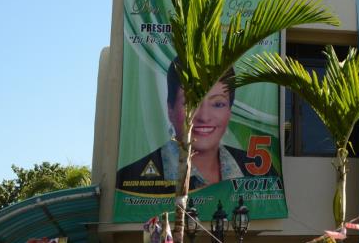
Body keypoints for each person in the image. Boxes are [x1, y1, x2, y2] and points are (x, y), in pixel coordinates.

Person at [117, 60, 275, 192]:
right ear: (170, 109)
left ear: (229, 111)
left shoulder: (259, 172)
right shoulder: (131, 177)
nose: (204, 117)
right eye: (192, 103)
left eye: (218, 104)